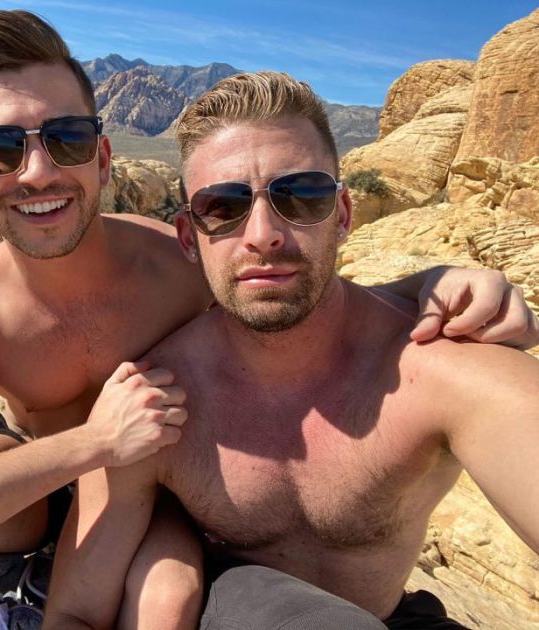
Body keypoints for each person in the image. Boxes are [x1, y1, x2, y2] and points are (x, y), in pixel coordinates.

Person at [0, 10, 539, 629]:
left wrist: (428, 287)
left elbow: (286, 293)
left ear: (102, 158)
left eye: (68, 139)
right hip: (43, 473)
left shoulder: (178, 262)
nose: (38, 171)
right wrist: (94, 442)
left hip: (155, 483)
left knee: (167, 594)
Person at [43, 70, 539, 630]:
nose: (263, 234)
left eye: (301, 196)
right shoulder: (156, 403)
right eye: (223, 206)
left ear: (343, 214)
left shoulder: (443, 371)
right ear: (188, 237)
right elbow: (74, 614)